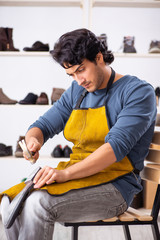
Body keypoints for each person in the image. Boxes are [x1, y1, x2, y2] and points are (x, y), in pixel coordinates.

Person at [0, 28, 157, 240]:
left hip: (116, 187)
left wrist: (64, 174)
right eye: (71, 74)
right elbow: (43, 125)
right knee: (11, 200)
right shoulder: (77, 91)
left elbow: (114, 149)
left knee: (37, 204)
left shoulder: (137, 92)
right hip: (78, 176)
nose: (78, 80)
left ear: (99, 58)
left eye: (81, 70)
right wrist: (33, 141)